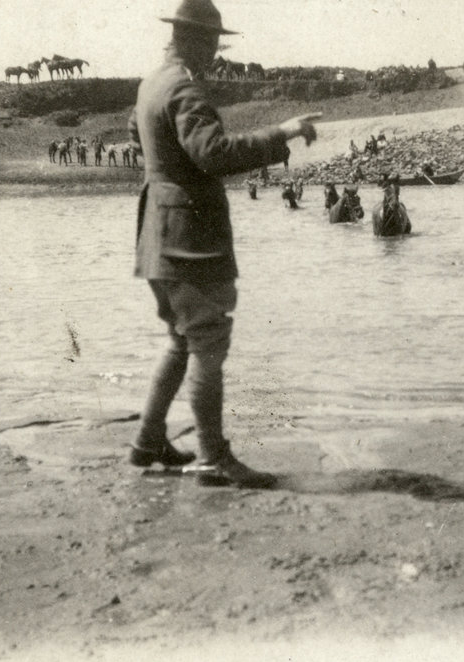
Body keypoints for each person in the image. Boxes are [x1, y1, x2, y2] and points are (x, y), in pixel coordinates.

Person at [126, 0, 320, 488]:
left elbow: (137, 132)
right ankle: (213, 457)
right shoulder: (185, 88)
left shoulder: (153, 82)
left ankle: (147, 442)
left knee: (180, 341)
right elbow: (213, 154)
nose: (216, 53)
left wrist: (168, 168)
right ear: (195, 40)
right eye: (213, 43)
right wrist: (282, 133)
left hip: (156, 233)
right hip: (188, 239)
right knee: (208, 342)